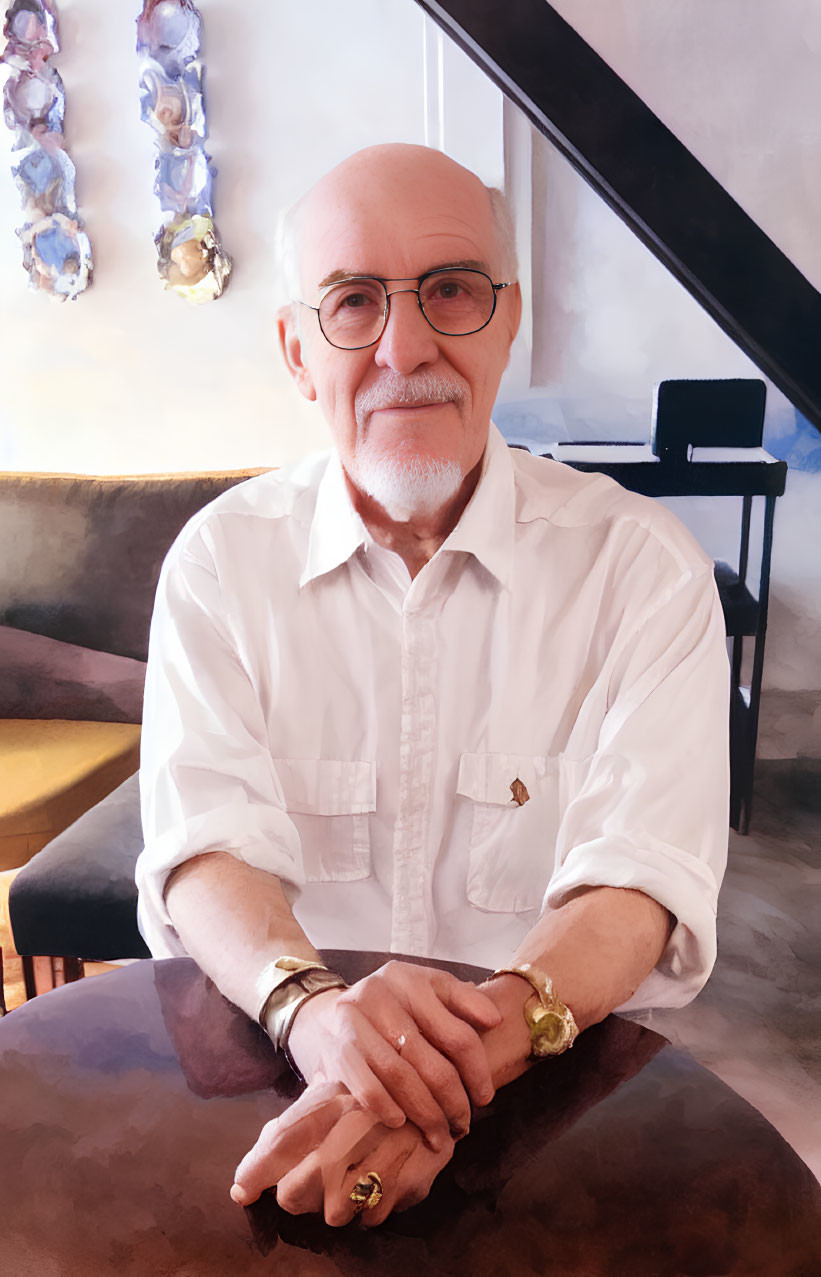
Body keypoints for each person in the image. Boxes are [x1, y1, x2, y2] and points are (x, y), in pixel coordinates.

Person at [135, 143, 729, 1227]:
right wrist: (317, 1015)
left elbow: (639, 882)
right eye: (352, 301)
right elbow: (199, 847)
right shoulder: (221, 564)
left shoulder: (642, 571)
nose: (405, 346)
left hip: (552, 1117)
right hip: (282, 1087)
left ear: (508, 320)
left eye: (450, 290)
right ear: (295, 349)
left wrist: (446, 1066)